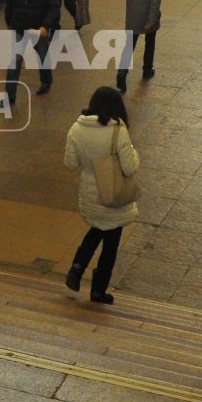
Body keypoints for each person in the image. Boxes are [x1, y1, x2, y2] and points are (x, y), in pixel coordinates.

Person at [62, 87, 138, 305]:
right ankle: (98, 290)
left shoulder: (77, 128)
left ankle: (76, 269)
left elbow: (70, 163)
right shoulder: (118, 131)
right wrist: (134, 153)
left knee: (97, 228)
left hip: (90, 194)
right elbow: (129, 167)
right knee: (111, 243)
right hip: (112, 193)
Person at [2, 0, 60, 100]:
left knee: (42, 57)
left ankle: (46, 81)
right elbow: (8, 5)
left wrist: (45, 26)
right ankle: (10, 95)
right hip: (19, 29)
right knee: (14, 62)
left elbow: (54, 7)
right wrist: (9, 22)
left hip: (37, 29)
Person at [116, 0, 162, 93]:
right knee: (150, 43)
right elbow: (156, 0)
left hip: (133, 15)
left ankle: (122, 71)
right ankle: (147, 70)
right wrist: (152, 19)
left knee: (129, 45)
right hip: (149, 16)